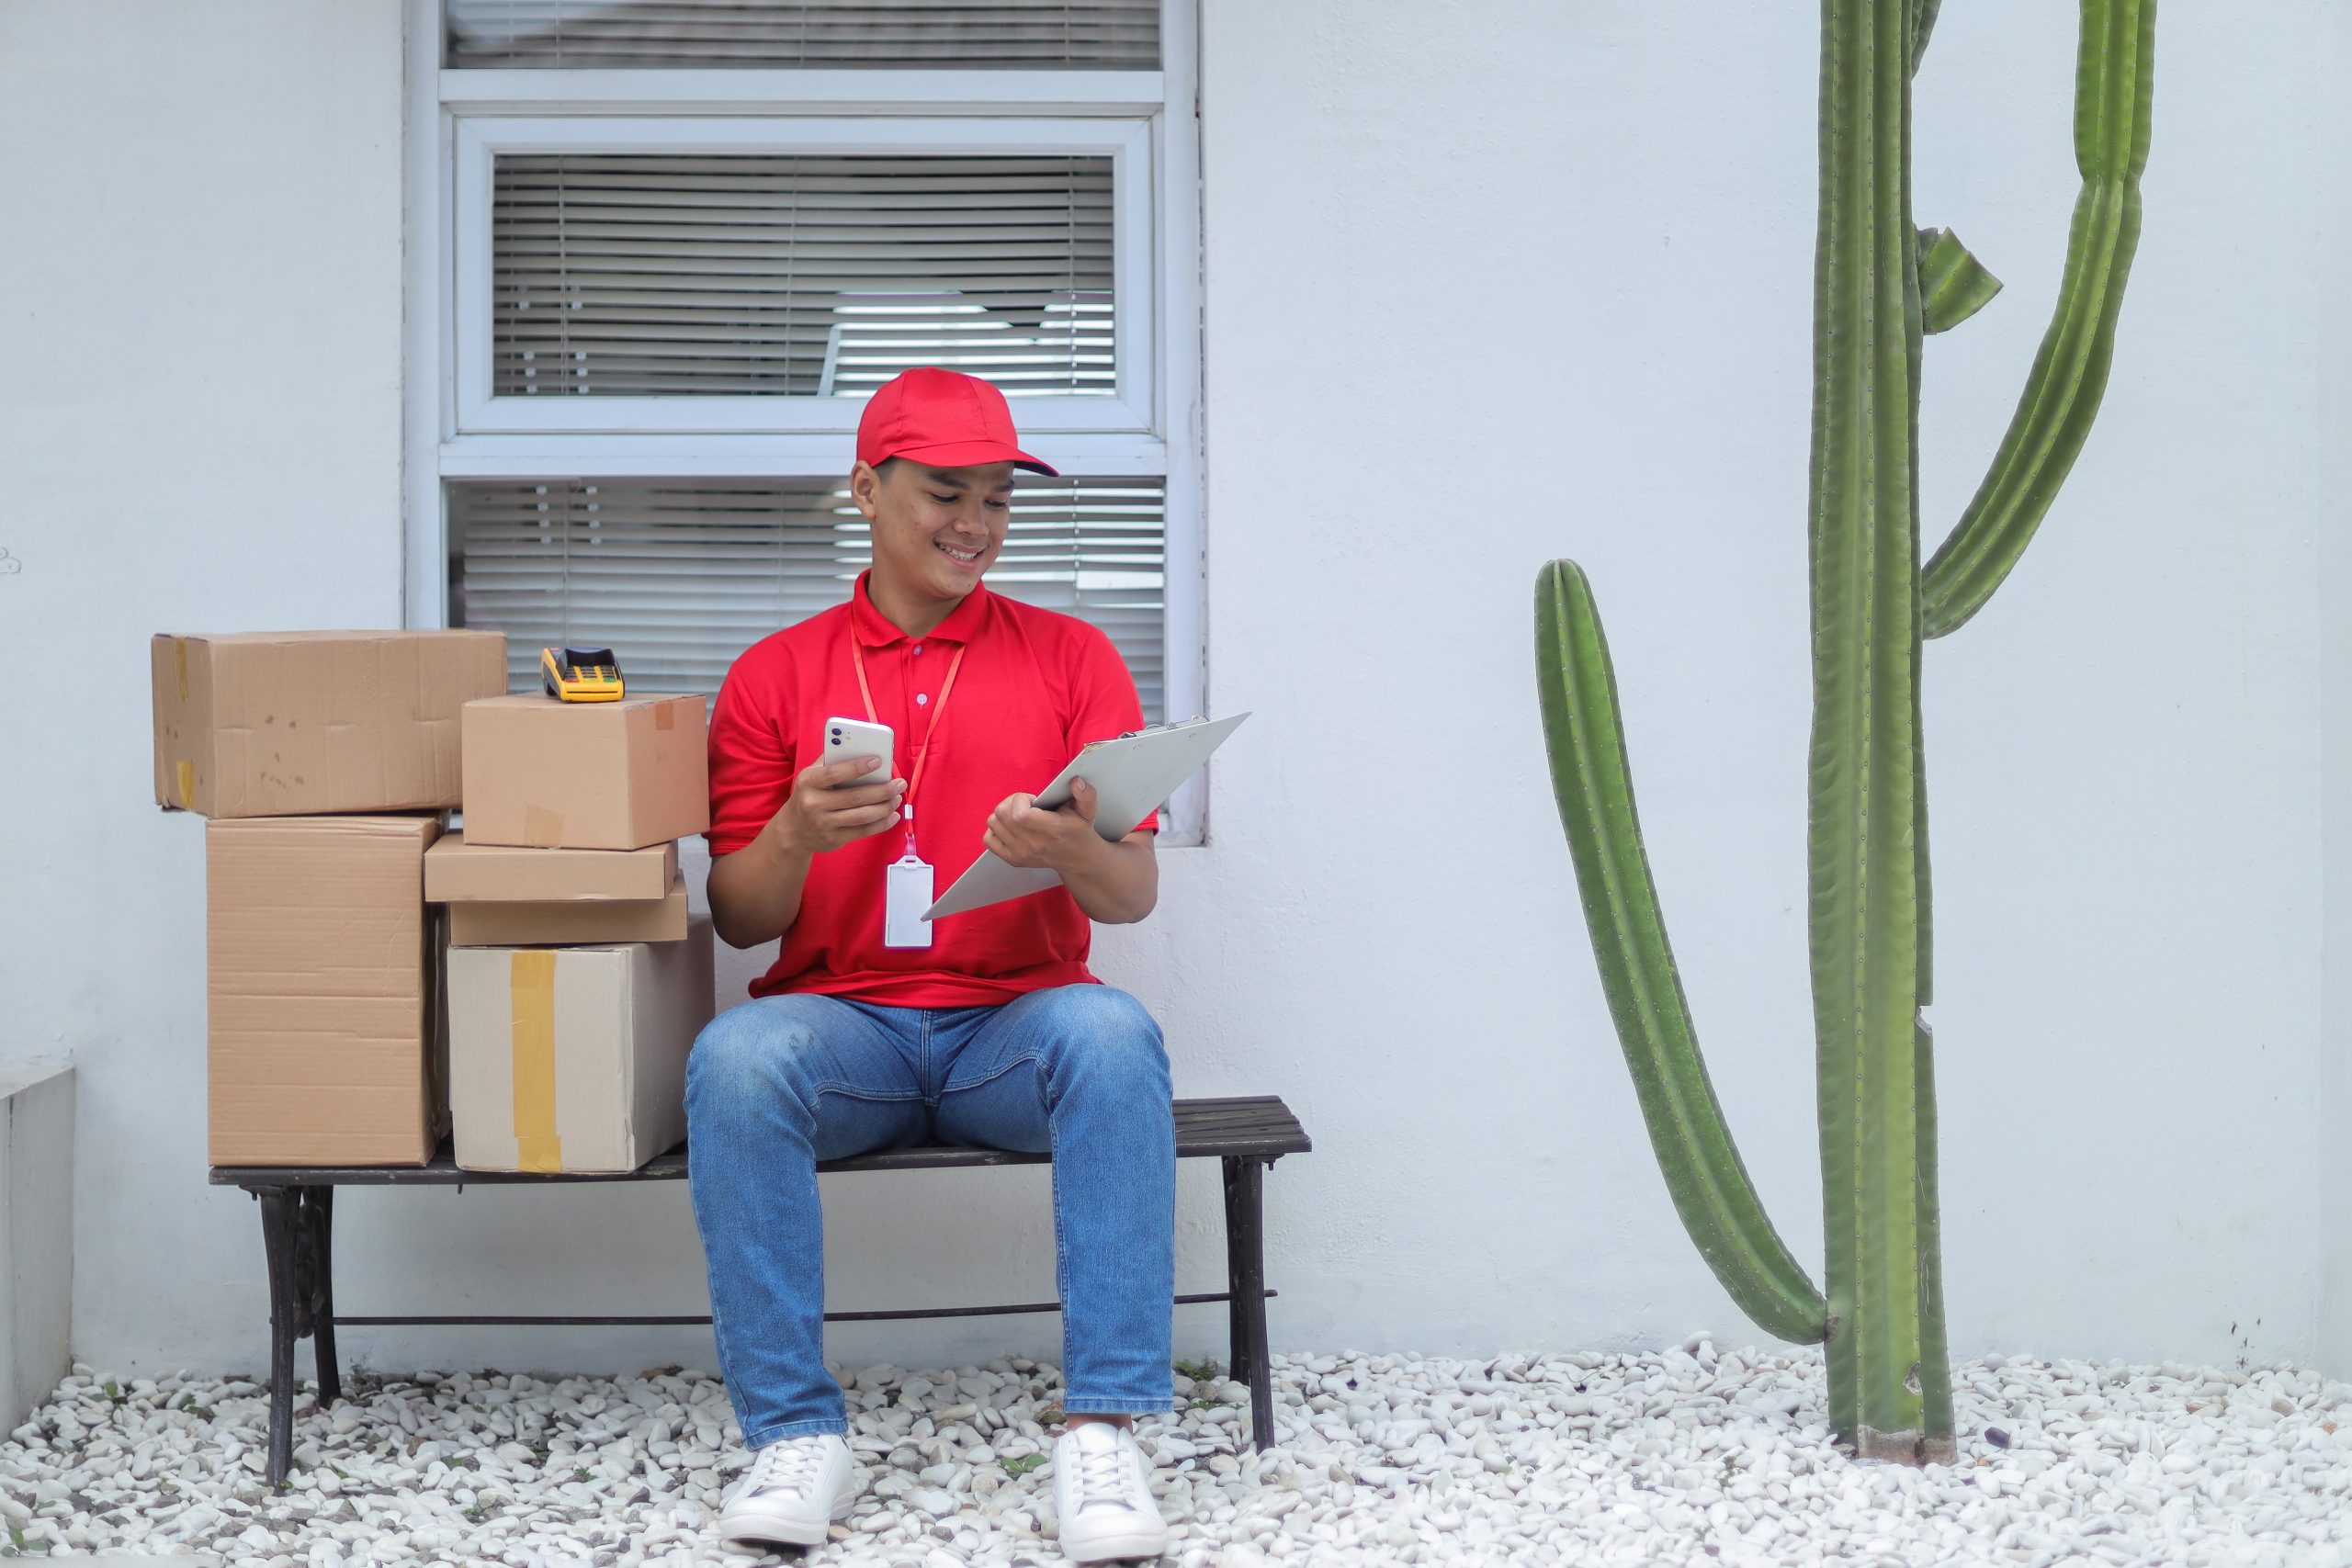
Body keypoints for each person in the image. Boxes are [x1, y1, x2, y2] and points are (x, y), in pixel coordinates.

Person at [687, 366, 1177, 1564]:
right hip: (841, 1032)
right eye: (945, 494)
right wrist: (794, 834)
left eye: (998, 499)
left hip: (1014, 1027)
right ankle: (795, 1435)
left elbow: (1132, 896)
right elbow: (740, 920)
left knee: (1116, 1034)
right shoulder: (774, 674)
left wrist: (1068, 847)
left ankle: (1104, 1432)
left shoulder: (1072, 658)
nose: (976, 524)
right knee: (735, 1059)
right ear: (866, 490)